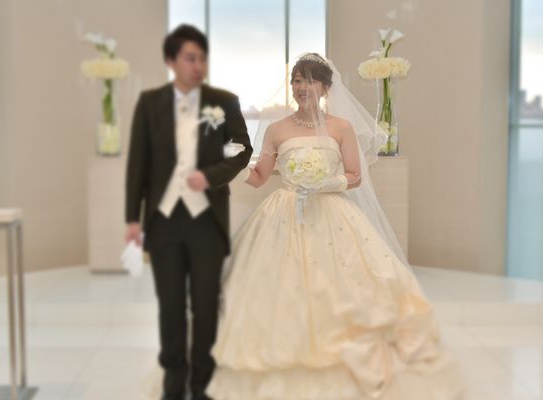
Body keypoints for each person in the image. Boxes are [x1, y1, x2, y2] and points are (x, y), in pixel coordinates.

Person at [205, 53, 466, 400]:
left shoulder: (341, 127)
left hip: (331, 211)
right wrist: (231, 166)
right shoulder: (276, 129)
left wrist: (327, 183)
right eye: (297, 80)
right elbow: (261, 176)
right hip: (284, 212)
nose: (302, 87)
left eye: (310, 80)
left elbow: (355, 175)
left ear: (326, 88)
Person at [124, 24, 252, 400]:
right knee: (170, 305)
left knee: (206, 303)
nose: (199, 66)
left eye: (203, 59)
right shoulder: (149, 103)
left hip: (207, 220)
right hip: (163, 221)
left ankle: (202, 382)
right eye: (190, 58)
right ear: (171, 61)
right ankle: (173, 379)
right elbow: (138, 163)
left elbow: (242, 149)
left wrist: (210, 176)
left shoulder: (224, 101)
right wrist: (132, 218)